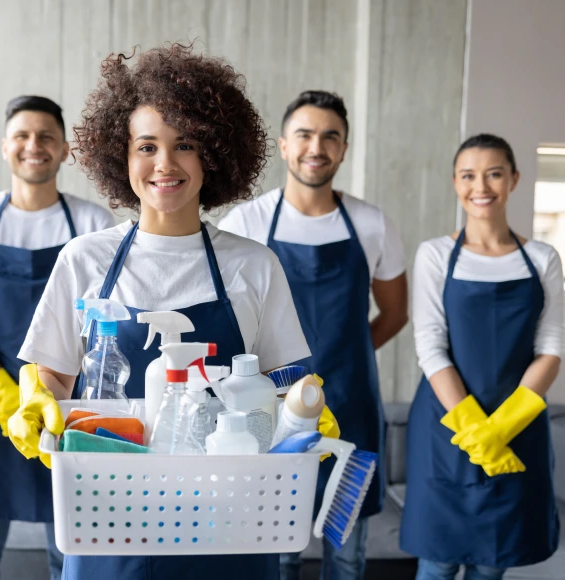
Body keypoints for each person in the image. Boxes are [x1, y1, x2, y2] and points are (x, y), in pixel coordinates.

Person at [5, 43, 340, 580]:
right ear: (121, 156)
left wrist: (305, 406)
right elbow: (55, 376)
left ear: (214, 155)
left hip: (231, 526)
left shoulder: (253, 265)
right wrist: (35, 396)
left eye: (185, 144)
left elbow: (284, 380)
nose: (165, 164)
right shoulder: (83, 259)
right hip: (108, 520)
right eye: (147, 146)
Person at [218, 90, 408, 580]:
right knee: (278, 547)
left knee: (346, 548)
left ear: (343, 149)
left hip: (352, 404)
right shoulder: (247, 222)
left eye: (330, 136)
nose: (316, 147)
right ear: (284, 145)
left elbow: (394, 313)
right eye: (304, 135)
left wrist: (347, 355)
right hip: (273, 409)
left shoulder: (372, 224)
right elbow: (228, 318)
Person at [0, 95, 114, 580]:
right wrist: (6, 396)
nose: (33, 146)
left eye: (46, 137)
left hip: (65, 405)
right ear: (5, 147)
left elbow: (97, 324)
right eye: (22, 136)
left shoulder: (92, 223)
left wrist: (50, 398)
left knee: (70, 554)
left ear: (64, 150)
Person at [401, 134, 562, 580]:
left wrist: (502, 428)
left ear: (514, 179)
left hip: (519, 428)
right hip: (447, 427)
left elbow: (552, 348)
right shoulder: (435, 254)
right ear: (455, 182)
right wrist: (474, 429)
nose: (481, 186)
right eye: (468, 175)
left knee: (492, 564)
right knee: (437, 562)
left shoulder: (543, 258)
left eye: (494, 174)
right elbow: (430, 345)